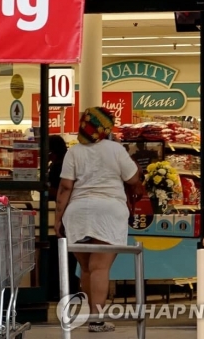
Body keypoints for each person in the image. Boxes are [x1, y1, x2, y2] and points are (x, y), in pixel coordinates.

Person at [55, 107, 141, 333]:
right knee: (100, 268)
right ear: (106, 127)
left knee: (85, 268)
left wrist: (58, 219)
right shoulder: (115, 149)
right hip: (108, 211)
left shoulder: (74, 152)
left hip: (78, 211)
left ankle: (90, 316)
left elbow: (65, 188)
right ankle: (97, 320)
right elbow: (132, 179)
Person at [48, 135, 80, 294]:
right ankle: (71, 288)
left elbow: (61, 189)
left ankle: (60, 289)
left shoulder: (58, 166)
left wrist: (45, 189)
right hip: (74, 214)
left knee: (59, 255)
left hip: (65, 214)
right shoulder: (67, 162)